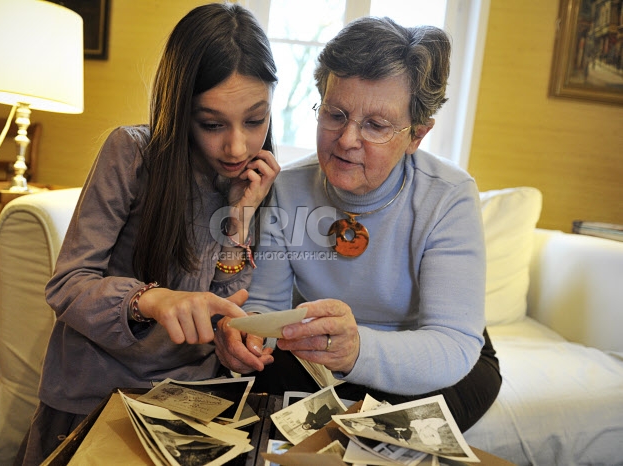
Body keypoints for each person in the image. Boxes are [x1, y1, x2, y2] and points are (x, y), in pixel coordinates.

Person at [15, 3, 279, 464]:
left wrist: (239, 219)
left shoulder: (253, 179)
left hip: (190, 398)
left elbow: (223, 302)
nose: (237, 146)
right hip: (94, 392)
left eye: (255, 120)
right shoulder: (131, 153)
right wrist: (154, 300)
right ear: (181, 109)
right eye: (212, 124)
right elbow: (67, 285)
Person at [213, 16, 501, 432]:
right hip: (325, 348)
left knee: (389, 422)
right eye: (335, 114)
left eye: (376, 125)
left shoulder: (449, 195)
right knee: (263, 384)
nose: (347, 139)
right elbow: (269, 309)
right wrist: (249, 336)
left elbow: (452, 344)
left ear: (417, 135)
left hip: (439, 351)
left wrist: (357, 350)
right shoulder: (288, 188)